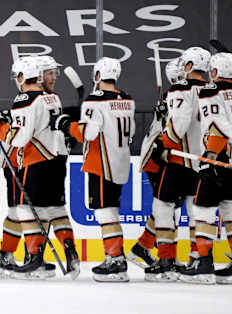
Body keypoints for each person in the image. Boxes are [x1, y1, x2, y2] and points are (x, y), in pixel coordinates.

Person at [0, 57, 79, 279]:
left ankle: (32, 257)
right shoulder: (52, 97)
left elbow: (20, 137)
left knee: (24, 209)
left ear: (23, 76)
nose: (53, 78)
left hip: (33, 162)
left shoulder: (25, 98)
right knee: (54, 209)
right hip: (55, 160)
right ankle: (69, 252)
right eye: (50, 73)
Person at [50, 57, 135, 282]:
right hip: (121, 162)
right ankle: (116, 257)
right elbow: (131, 130)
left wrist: (67, 124)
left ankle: (115, 260)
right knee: (111, 211)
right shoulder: (127, 99)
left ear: (98, 76)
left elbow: (88, 135)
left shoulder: (93, 101)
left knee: (105, 212)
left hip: (101, 163)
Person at [180, 52, 232, 284]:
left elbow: (216, 127)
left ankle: (203, 264)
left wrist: (210, 156)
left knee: (203, 210)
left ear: (214, 72)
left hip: (220, 158)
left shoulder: (210, 91)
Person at [143, 47, 211, 282]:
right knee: (196, 211)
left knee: (163, 207)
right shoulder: (212, 90)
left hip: (179, 159)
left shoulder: (181, 88)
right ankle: (197, 259)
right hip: (202, 161)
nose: (182, 68)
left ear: (190, 66)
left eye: (184, 64)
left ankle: (166, 261)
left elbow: (179, 124)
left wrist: (163, 142)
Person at [127, 58, 185, 269]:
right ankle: (165, 255)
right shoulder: (175, 96)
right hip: (156, 157)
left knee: (170, 207)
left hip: (164, 156)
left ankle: (143, 247)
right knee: (168, 208)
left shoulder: (177, 95)